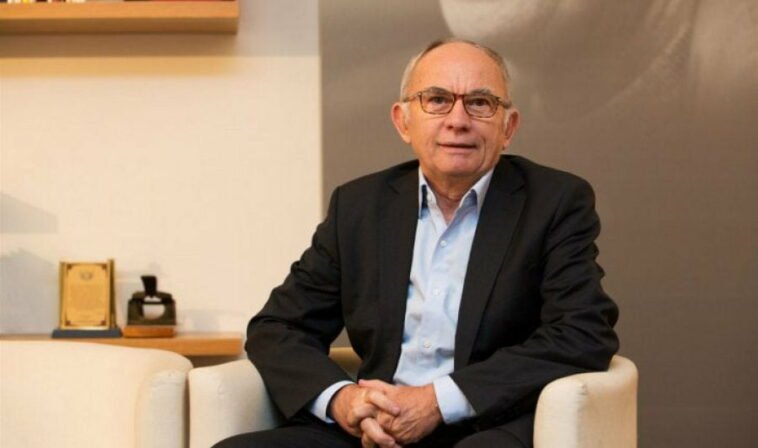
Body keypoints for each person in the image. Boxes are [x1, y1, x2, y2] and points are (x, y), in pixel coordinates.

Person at [216, 39, 619, 448]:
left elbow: (583, 331)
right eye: (437, 100)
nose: (458, 120)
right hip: (372, 429)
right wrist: (343, 400)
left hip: (483, 427)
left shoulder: (555, 202)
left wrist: (438, 401)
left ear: (508, 128)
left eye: (480, 103)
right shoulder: (358, 206)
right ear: (403, 121)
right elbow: (278, 327)